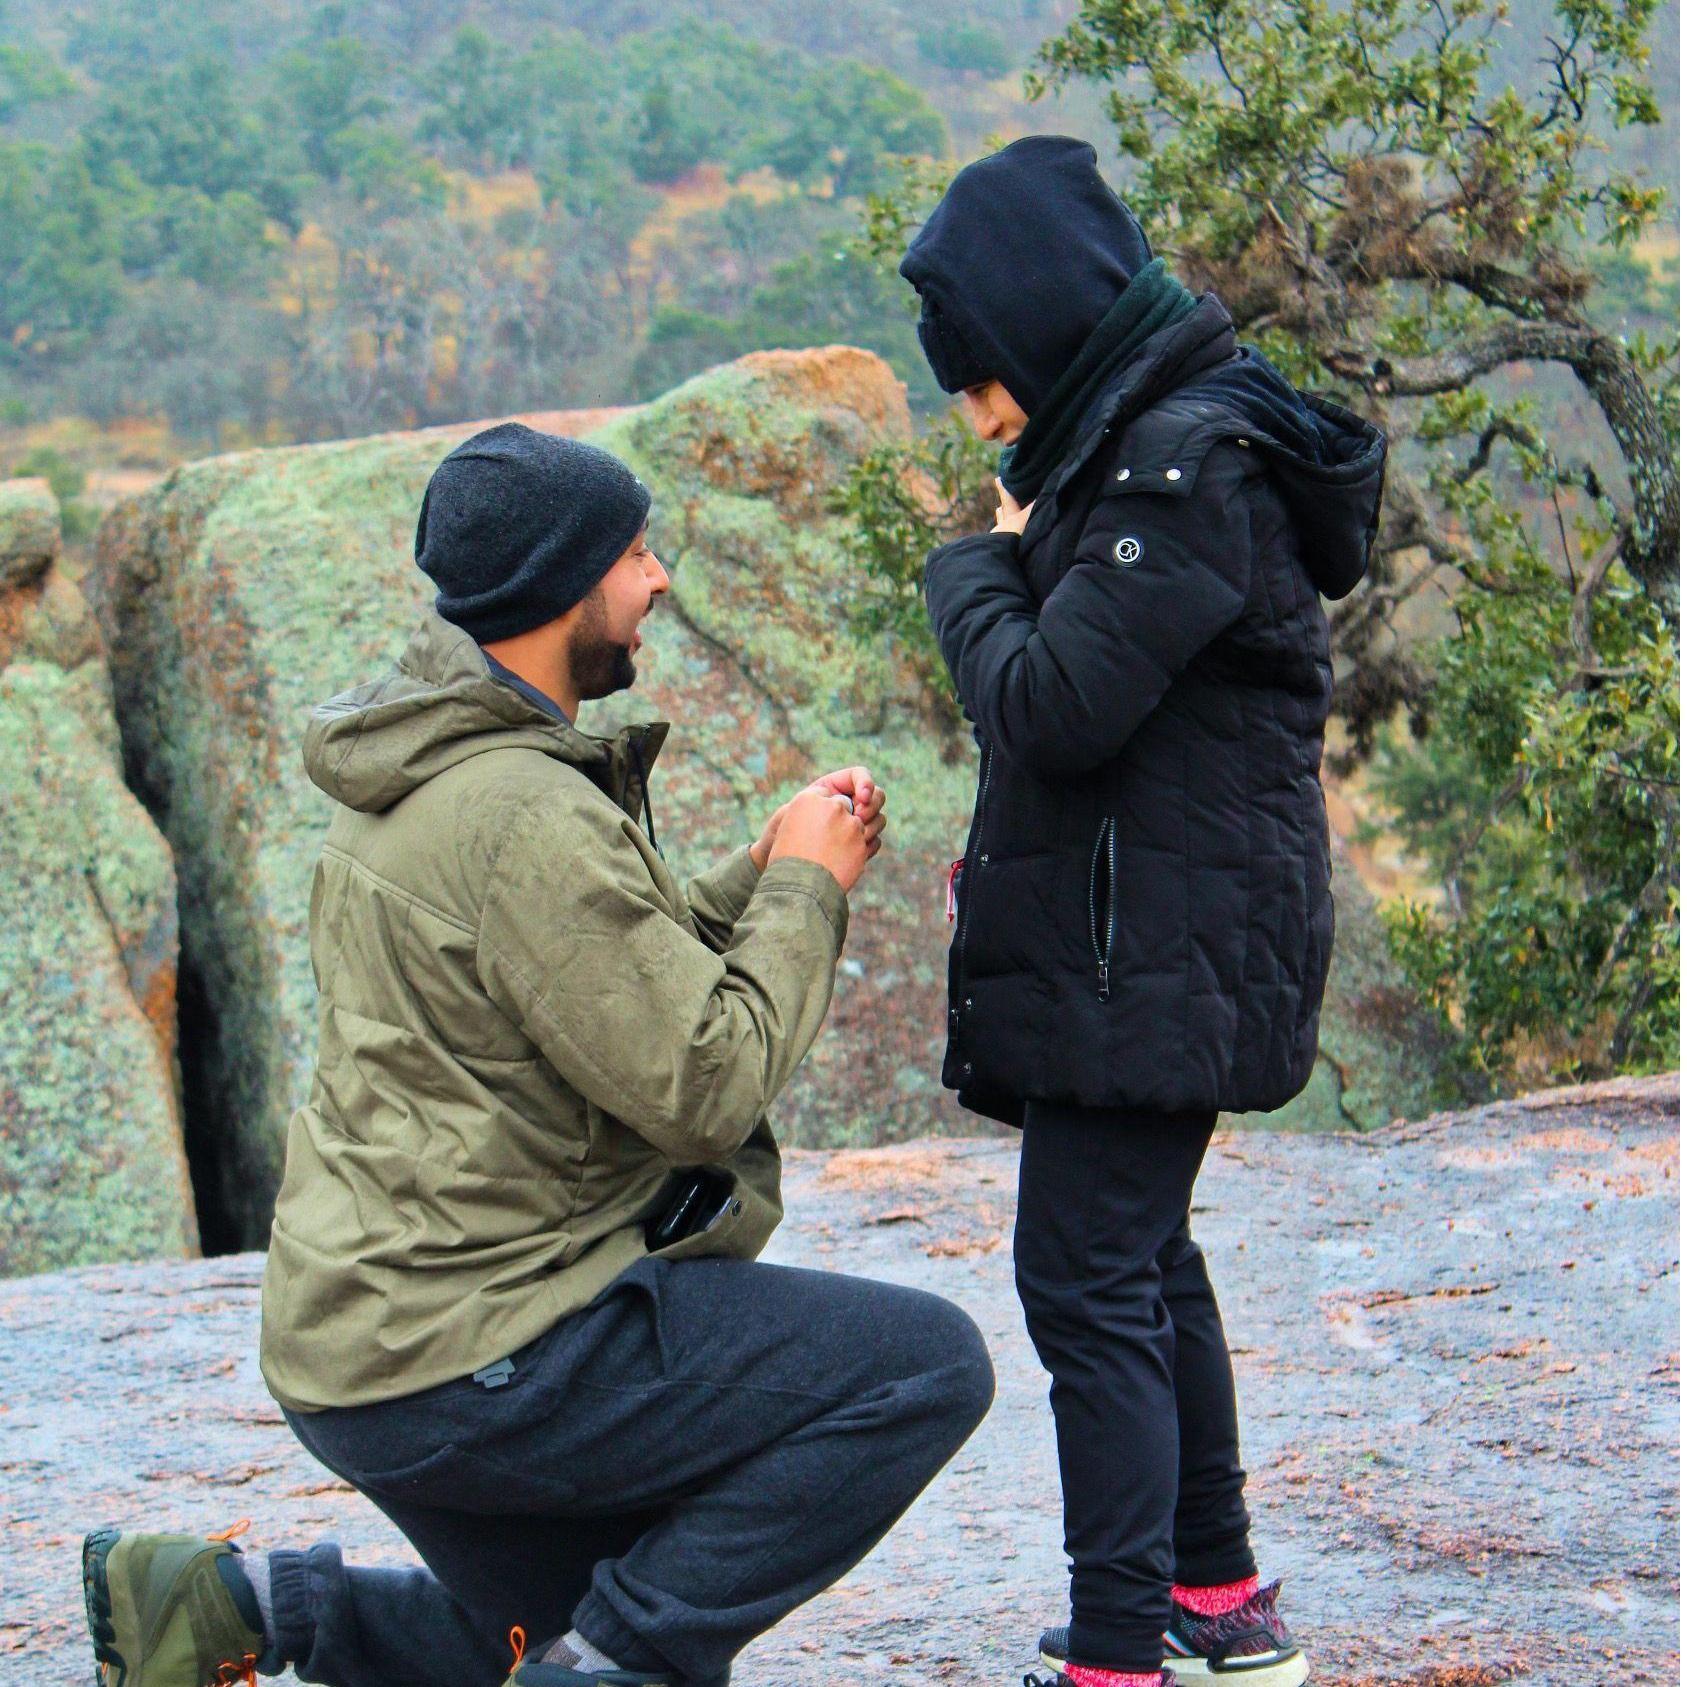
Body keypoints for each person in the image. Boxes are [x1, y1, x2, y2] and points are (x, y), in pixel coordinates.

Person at [80, 422, 995, 1687]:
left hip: (364, 1344)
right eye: (633, 553)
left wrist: (767, 864)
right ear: (564, 585)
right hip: (472, 1350)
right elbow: (705, 1081)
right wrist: (805, 896)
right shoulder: (521, 811)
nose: (658, 577)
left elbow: (578, 977)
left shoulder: (428, 774)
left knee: (548, 1626)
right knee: (921, 1367)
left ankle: (230, 1604)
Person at [898, 137, 1387, 1687]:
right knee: (1136, 1254)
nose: (978, 419)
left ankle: (1118, 1650)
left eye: (979, 383)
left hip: (1155, 960)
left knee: (1084, 1273)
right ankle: (1214, 1596)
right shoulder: (1142, 449)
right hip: (1149, 942)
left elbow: (1050, 705)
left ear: (1036, 340)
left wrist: (969, 567)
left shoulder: (1182, 468)